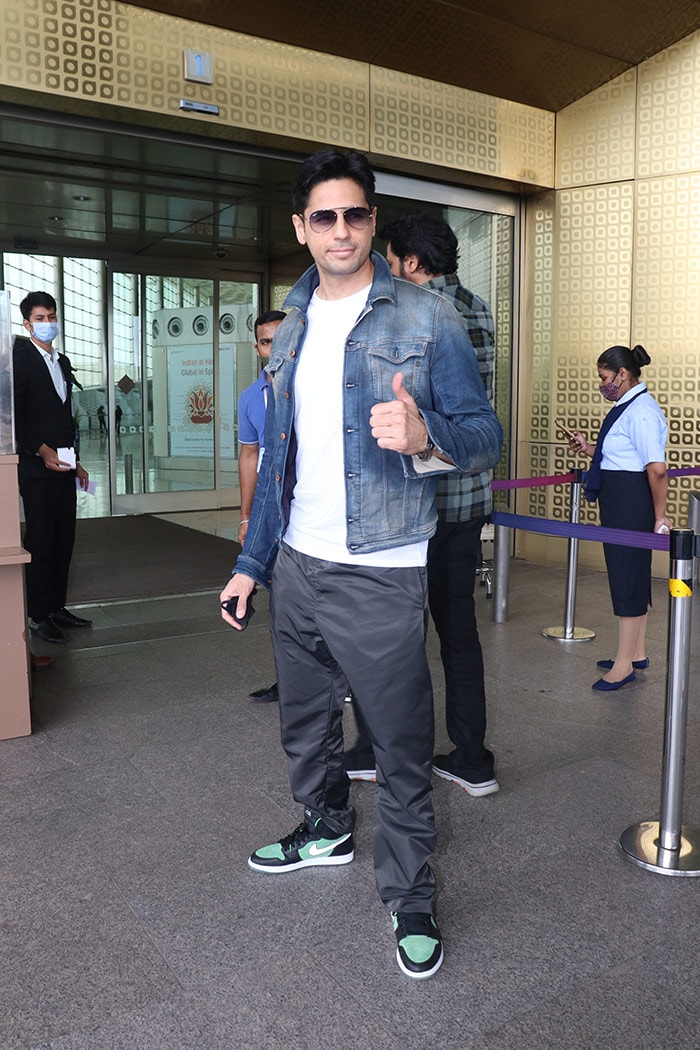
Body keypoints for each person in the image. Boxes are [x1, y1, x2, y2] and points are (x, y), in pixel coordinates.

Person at [220, 149, 503, 979]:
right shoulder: (295, 319)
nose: (339, 230)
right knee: (306, 726)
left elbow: (483, 435)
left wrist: (428, 440)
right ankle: (325, 827)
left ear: (372, 222)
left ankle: (410, 891)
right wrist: (253, 560)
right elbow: (279, 456)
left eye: (354, 214)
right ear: (301, 227)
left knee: (402, 743)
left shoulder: (425, 318)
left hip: (382, 565)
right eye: (323, 216)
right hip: (299, 562)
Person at [344, 211, 500, 796]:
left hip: (417, 505)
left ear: (409, 262)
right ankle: (471, 757)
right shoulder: (480, 308)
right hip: (469, 500)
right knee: (459, 630)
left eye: (390, 258)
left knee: (392, 638)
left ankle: (377, 750)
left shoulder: (419, 315)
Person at [567, 344, 670, 691]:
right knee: (632, 574)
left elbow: (656, 469)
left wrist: (661, 516)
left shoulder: (640, 411)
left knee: (627, 577)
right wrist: (588, 449)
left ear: (623, 374)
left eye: (604, 377)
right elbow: (621, 453)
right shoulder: (628, 406)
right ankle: (636, 652)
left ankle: (624, 665)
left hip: (630, 502)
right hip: (622, 497)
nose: (602, 384)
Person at [13, 291, 92, 644]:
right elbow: (14, 417)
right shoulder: (18, 359)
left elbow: (64, 416)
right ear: (27, 323)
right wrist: (42, 450)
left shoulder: (61, 361)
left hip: (63, 463)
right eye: (41, 318)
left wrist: (77, 462)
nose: (48, 324)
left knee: (64, 538)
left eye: (52, 317)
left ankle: (57, 606)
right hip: (36, 465)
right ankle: (37, 615)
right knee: (41, 540)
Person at [237, 309, 286, 703]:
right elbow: (249, 456)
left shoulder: (318, 385)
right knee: (282, 600)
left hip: (314, 511)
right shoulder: (251, 398)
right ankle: (289, 681)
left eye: (281, 338)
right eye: (267, 341)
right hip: (273, 514)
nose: (275, 348)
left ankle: (345, 681)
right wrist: (247, 517)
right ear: (258, 349)